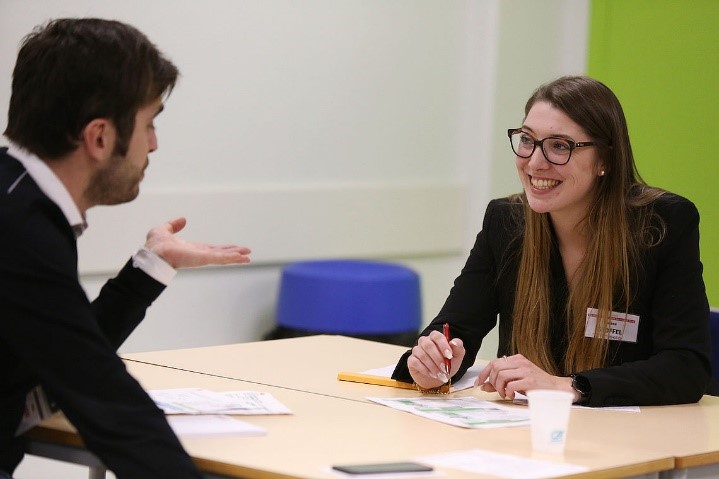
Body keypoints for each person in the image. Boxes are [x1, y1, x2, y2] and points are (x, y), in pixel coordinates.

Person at [0, 19, 252, 478]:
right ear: (100, 137)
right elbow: (105, 398)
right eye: (148, 125)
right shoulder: (21, 231)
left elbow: (64, 346)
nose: (153, 145)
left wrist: (152, 265)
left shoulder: (18, 201)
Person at [392, 75, 713, 407]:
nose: (534, 162)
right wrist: (430, 365)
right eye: (527, 140)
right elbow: (454, 329)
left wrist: (570, 386)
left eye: (559, 146)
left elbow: (686, 368)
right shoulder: (506, 221)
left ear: (605, 159)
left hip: (631, 438)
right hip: (520, 434)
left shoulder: (663, 224)